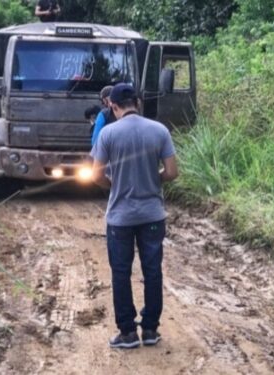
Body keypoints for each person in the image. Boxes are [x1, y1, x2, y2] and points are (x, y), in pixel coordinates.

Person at [90, 83, 179, 349]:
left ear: (113, 106)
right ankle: (150, 330)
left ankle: (127, 333)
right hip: (152, 215)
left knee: (121, 272)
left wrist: (114, 186)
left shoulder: (108, 134)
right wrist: (153, 180)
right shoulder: (159, 130)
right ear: (138, 103)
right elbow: (172, 172)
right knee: (152, 271)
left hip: (120, 218)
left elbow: (96, 175)